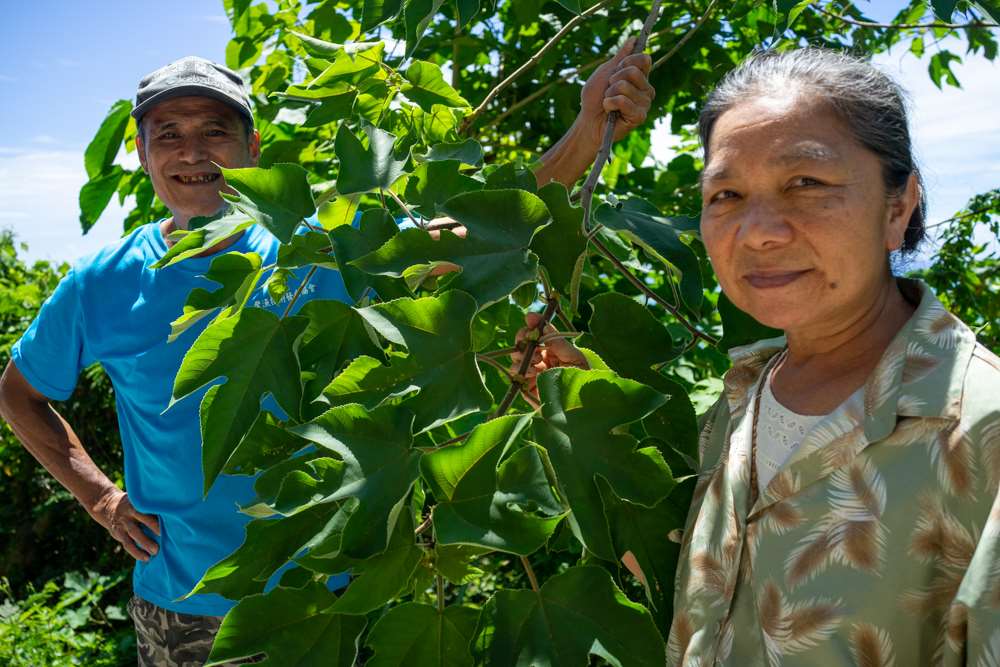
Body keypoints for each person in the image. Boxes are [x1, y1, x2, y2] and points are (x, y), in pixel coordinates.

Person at [0, 46, 656, 666]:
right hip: (181, 607)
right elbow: (17, 393)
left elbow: (470, 232)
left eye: (215, 131)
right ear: (142, 152)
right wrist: (101, 498)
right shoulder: (100, 282)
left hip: (334, 599)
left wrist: (587, 131)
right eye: (168, 133)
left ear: (253, 148)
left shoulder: (313, 249)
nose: (192, 152)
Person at [517, 48, 1000, 666]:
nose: (759, 230)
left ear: (898, 206)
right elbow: (691, 589)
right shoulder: (743, 399)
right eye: (726, 194)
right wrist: (584, 412)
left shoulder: (979, 432)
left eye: (806, 183)